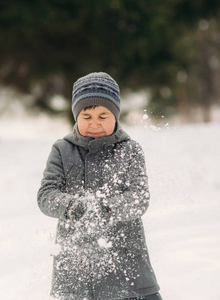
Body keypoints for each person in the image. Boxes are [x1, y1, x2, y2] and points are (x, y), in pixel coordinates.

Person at [38, 72, 162, 300]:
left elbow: (139, 198)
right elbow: (46, 196)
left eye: (103, 116)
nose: (95, 124)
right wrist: (72, 206)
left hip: (127, 270)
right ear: (76, 116)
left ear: (116, 116)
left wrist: (106, 208)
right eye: (87, 116)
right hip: (76, 273)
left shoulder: (131, 150)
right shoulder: (62, 150)